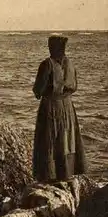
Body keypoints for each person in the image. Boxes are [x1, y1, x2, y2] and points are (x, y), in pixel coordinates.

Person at [32, 36, 87, 183]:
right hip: (68, 106)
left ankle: (50, 175)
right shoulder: (70, 64)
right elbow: (74, 86)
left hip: (50, 106)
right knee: (67, 139)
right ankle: (66, 173)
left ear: (52, 47)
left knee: (49, 140)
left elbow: (38, 90)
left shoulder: (46, 64)